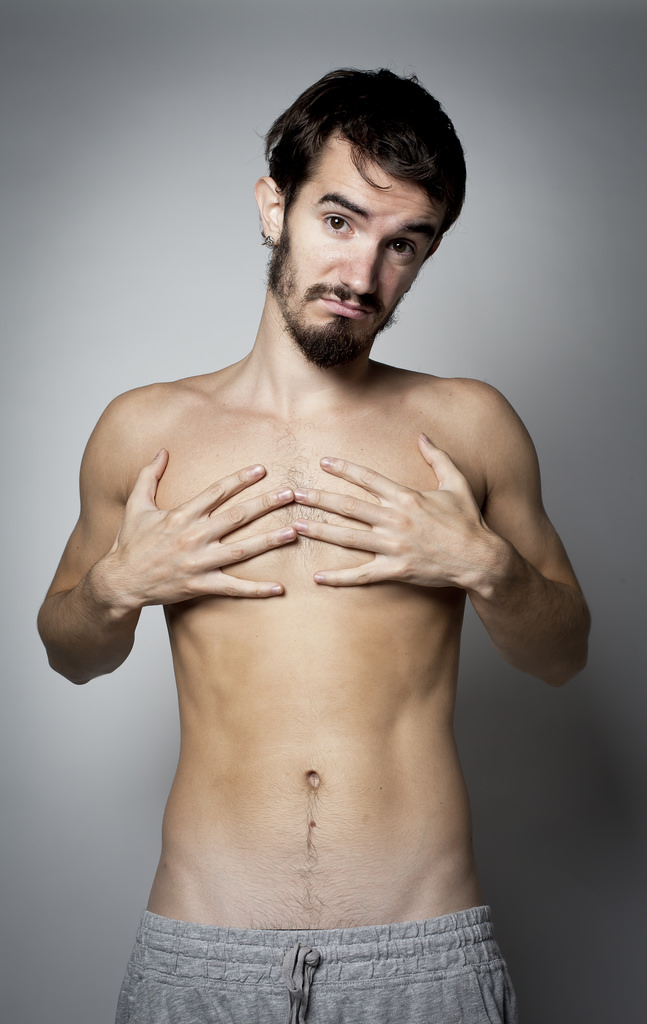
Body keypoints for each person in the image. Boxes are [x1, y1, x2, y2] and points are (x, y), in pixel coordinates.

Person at [38, 68, 590, 1024]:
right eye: (339, 221)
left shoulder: (470, 425)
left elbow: (562, 654)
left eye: (402, 244)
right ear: (274, 207)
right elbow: (69, 651)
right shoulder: (143, 430)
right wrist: (116, 587)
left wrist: (485, 567)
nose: (362, 277)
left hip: (421, 954)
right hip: (203, 953)